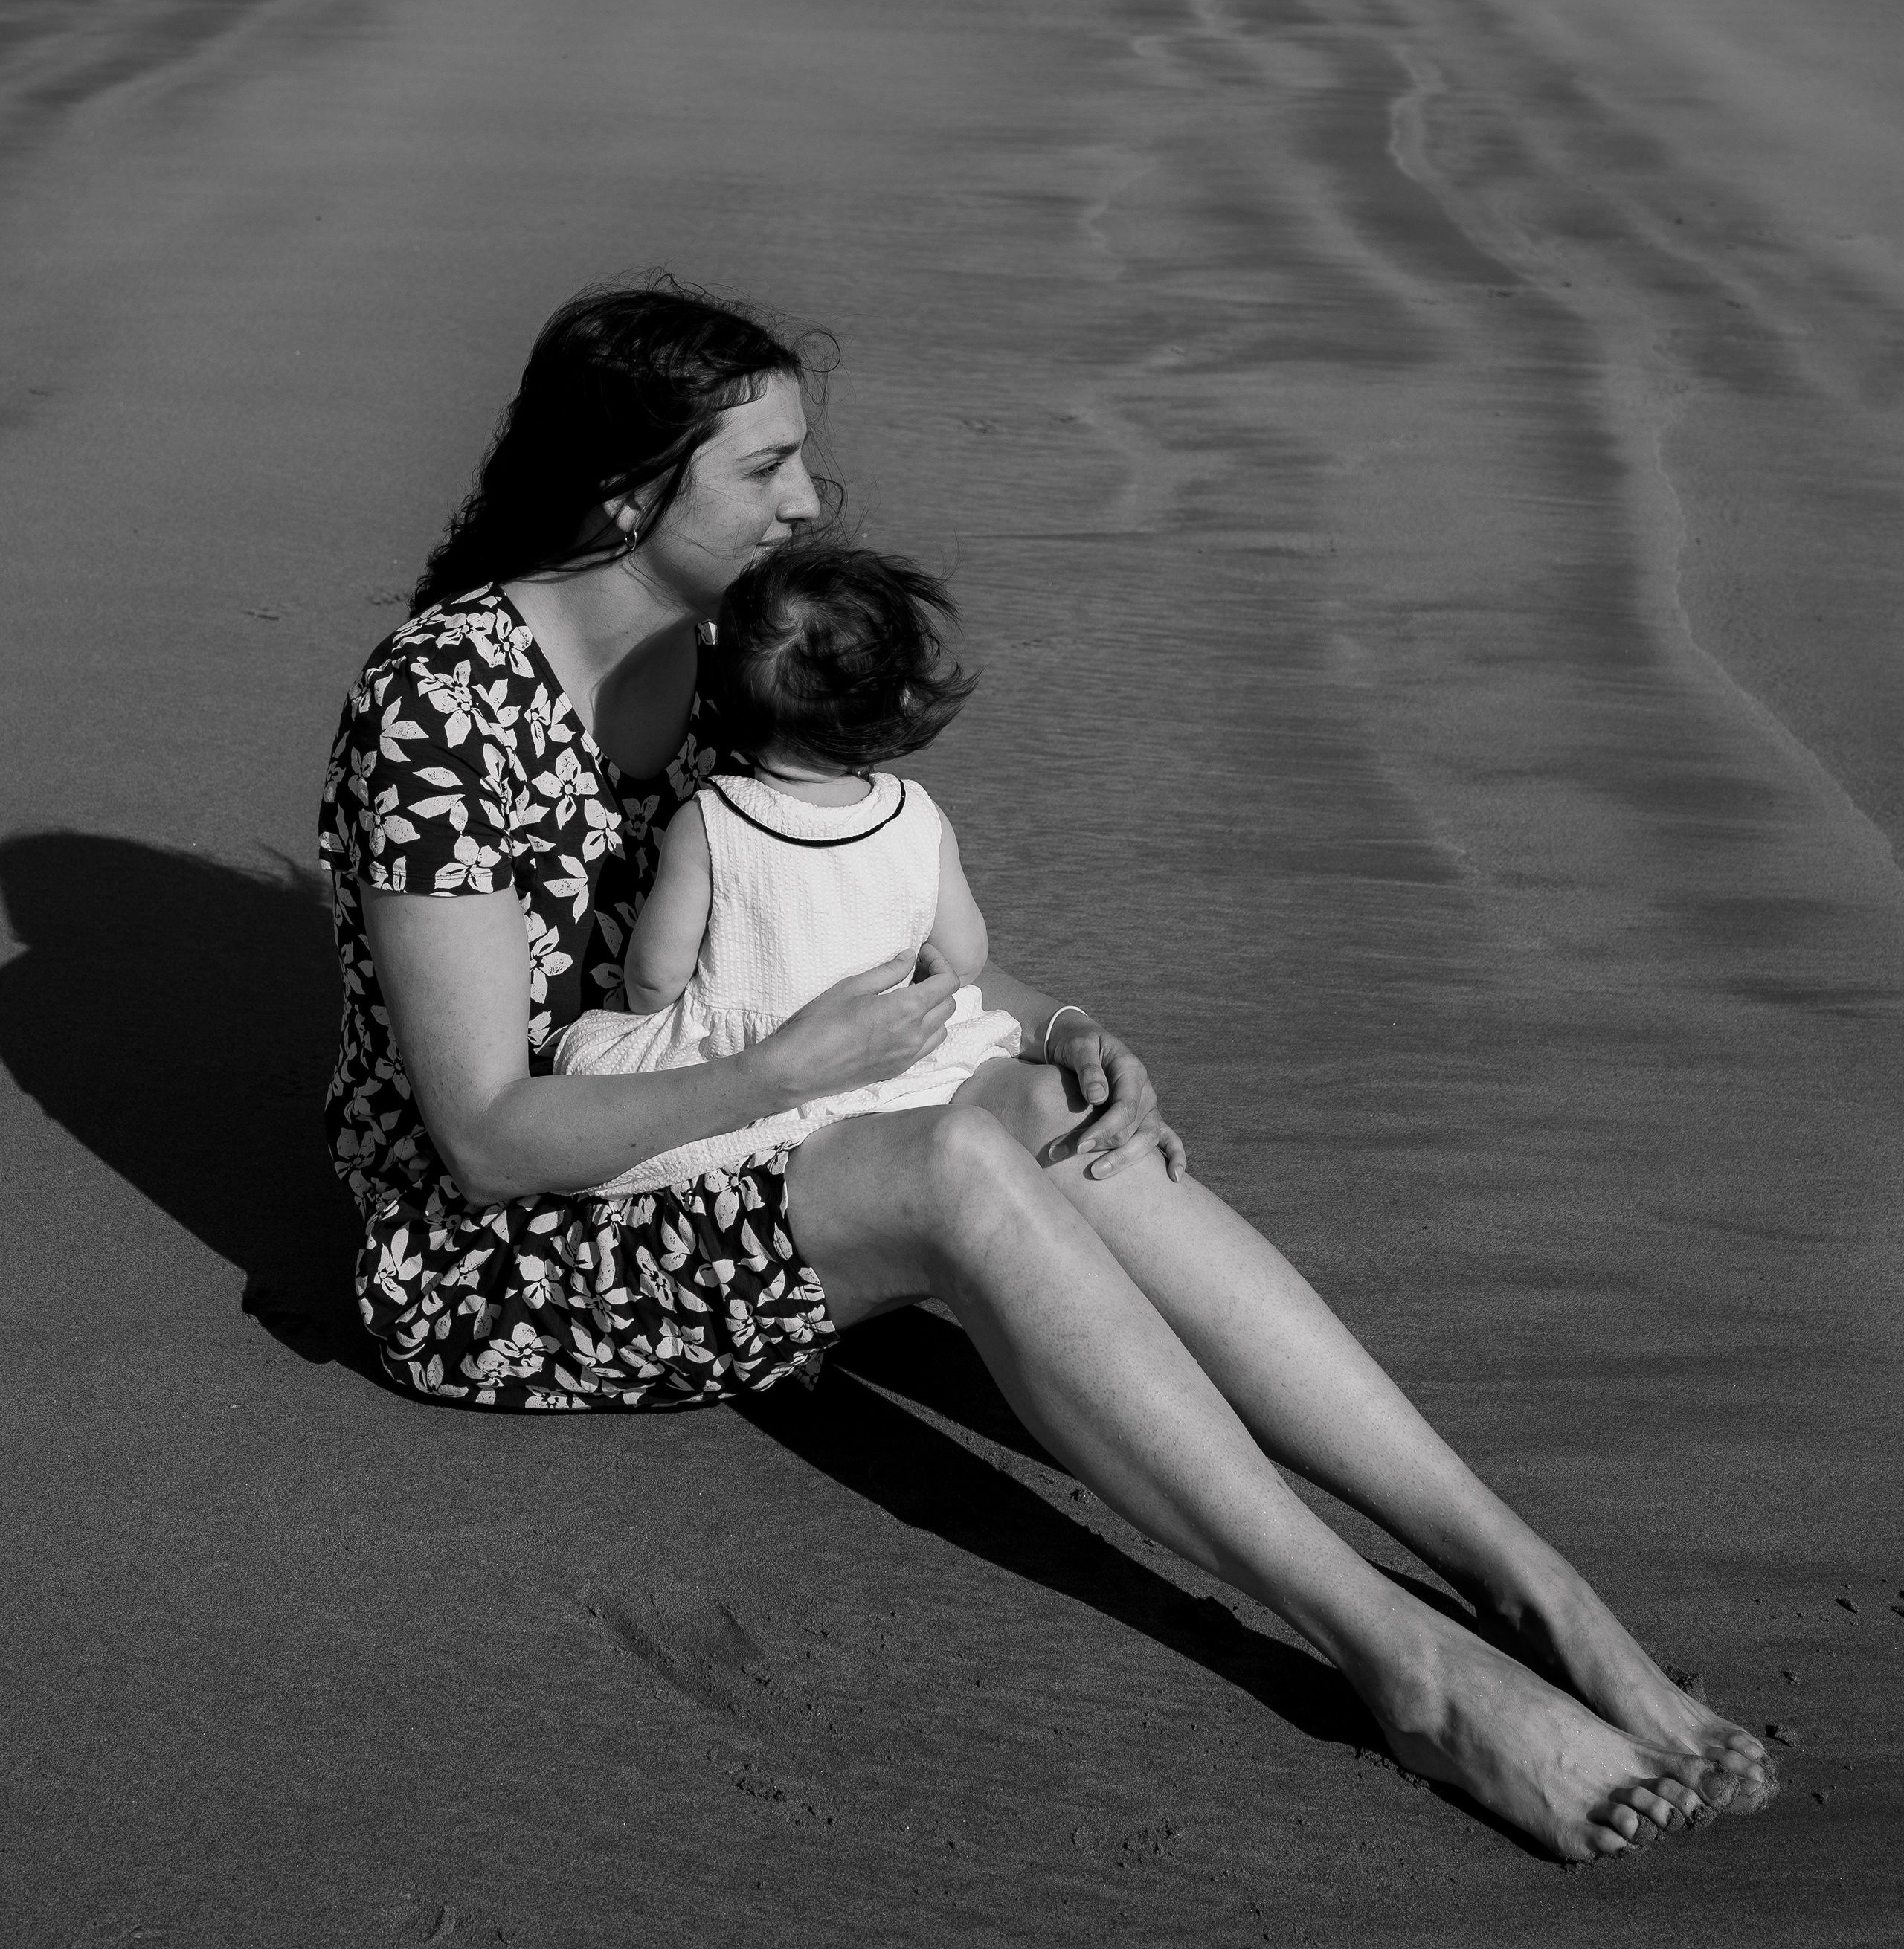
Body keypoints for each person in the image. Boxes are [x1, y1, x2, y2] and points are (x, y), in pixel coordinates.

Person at [319, 279, 1773, 1864]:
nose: (806, 500)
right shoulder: (439, 710)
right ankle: (1399, 1655)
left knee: (1048, 1109)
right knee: (954, 1165)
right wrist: (787, 1072)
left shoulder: (723, 649)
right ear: (623, 490)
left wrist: (1055, 1020)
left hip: (738, 1132)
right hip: (500, 1264)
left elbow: (880, 956)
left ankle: (1532, 1583)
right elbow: (480, 1140)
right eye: (763, 468)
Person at [552, 541, 1055, 1196]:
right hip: (890, 1069)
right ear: (901, 701)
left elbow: (654, 979)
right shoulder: (916, 815)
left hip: (750, 1070)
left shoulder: (713, 820)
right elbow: (963, 954)